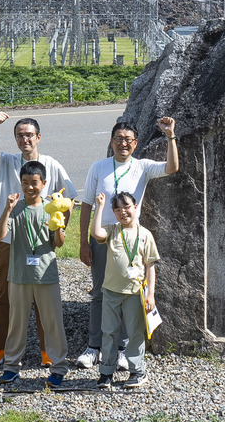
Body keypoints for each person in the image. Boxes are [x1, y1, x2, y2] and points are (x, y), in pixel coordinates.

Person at [73, 117, 178, 370]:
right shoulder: (98, 167)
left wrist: (170, 136)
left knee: (128, 293)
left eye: (128, 140)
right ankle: (93, 347)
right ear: (111, 141)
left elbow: (172, 168)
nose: (123, 143)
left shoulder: (142, 166)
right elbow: (86, 204)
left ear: (135, 143)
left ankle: (122, 348)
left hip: (129, 240)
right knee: (100, 292)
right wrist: (84, 242)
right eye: (118, 139)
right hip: (101, 238)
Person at [0, 110, 76, 366]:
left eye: (29, 135)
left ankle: (47, 350)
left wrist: (59, 226)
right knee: (4, 295)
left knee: (42, 299)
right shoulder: (6, 161)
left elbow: (71, 199)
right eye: (20, 135)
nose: (25, 139)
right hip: (10, 240)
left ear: (38, 137)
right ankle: (1, 347)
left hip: (41, 241)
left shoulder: (51, 164)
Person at [0, 161, 68, 389]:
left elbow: (59, 243)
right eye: (25, 182)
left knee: (53, 322)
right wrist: (7, 208)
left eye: (34, 183)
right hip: (19, 276)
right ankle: (12, 367)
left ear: (43, 183)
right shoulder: (16, 207)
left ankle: (58, 367)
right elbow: (0, 235)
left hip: (46, 275)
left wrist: (58, 227)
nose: (29, 187)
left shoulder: (50, 207)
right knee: (17, 323)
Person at [90, 191, 159, 388]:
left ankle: (137, 371)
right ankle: (106, 372)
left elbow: (150, 265)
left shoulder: (145, 234)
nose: (123, 212)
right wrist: (100, 206)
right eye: (118, 209)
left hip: (134, 293)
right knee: (108, 332)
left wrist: (150, 293)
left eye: (127, 207)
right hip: (111, 291)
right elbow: (96, 233)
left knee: (135, 333)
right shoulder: (112, 230)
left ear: (135, 207)